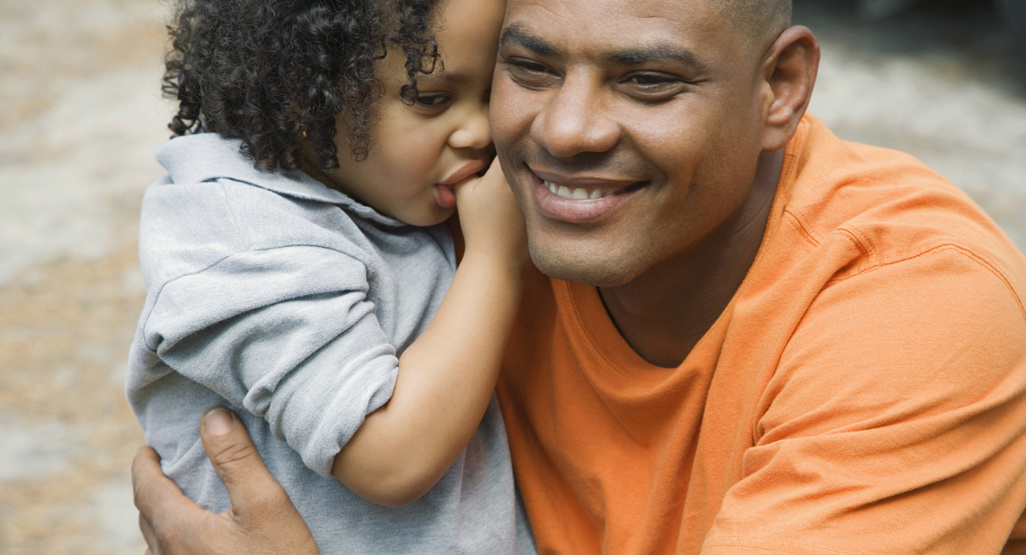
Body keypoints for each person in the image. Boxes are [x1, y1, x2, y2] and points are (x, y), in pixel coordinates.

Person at [133, 0, 1026, 552]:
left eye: (646, 80)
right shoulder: (463, 213)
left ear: (781, 86)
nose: (565, 131)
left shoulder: (913, 303)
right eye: (528, 68)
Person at [125, 0, 536, 551]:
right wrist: (495, 259)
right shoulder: (239, 238)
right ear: (305, 92)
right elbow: (391, 460)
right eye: (431, 98)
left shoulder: (380, 189)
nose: (479, 130)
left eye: (491, 93)